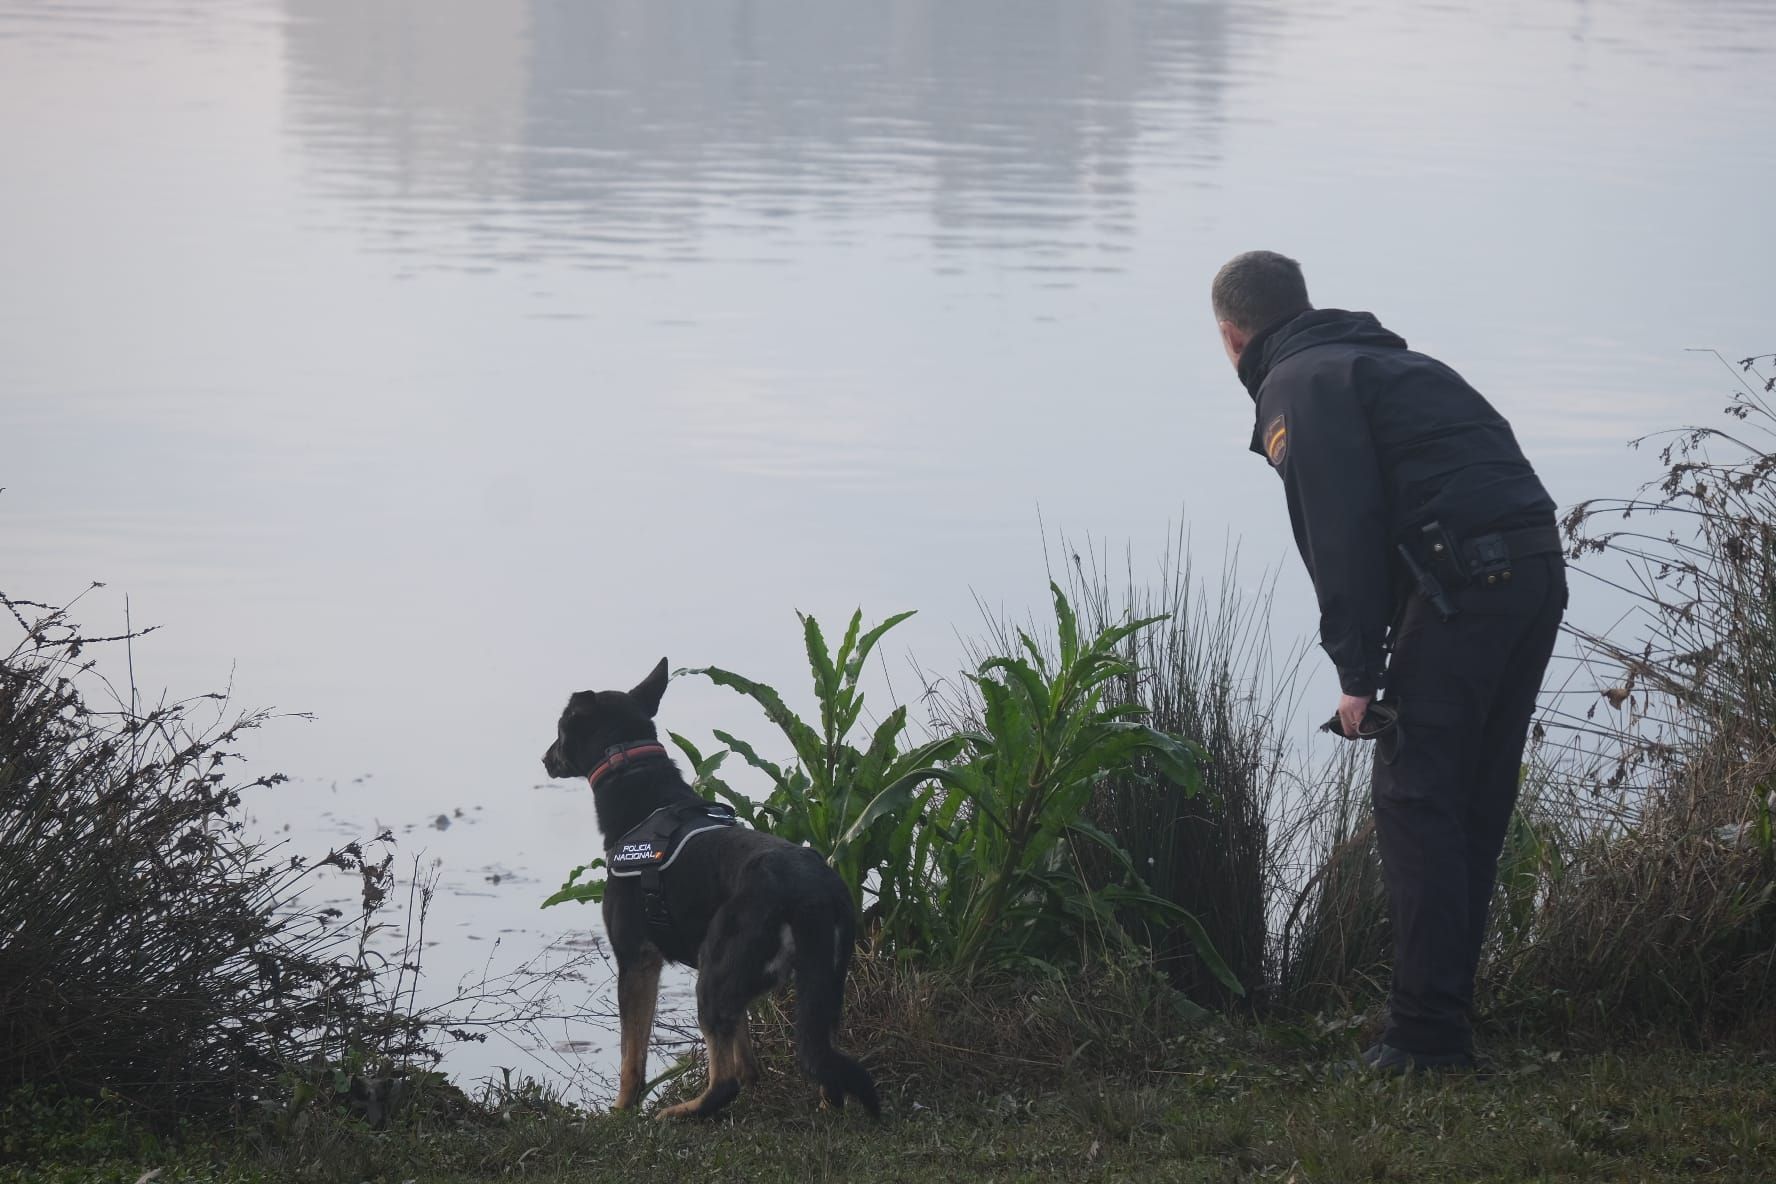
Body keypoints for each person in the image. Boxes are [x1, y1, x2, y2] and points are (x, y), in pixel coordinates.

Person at [1210, 250, 1566, 1072]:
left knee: (1414, 800)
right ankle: (1443, 1020)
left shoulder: (1297, 387)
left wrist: (1357, 677)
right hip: (1534, 574)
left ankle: (1425, 1039)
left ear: (1232, 336)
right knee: (1469, 801)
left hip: (1465, 585)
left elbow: (1341, 536)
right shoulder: (1393, 363)